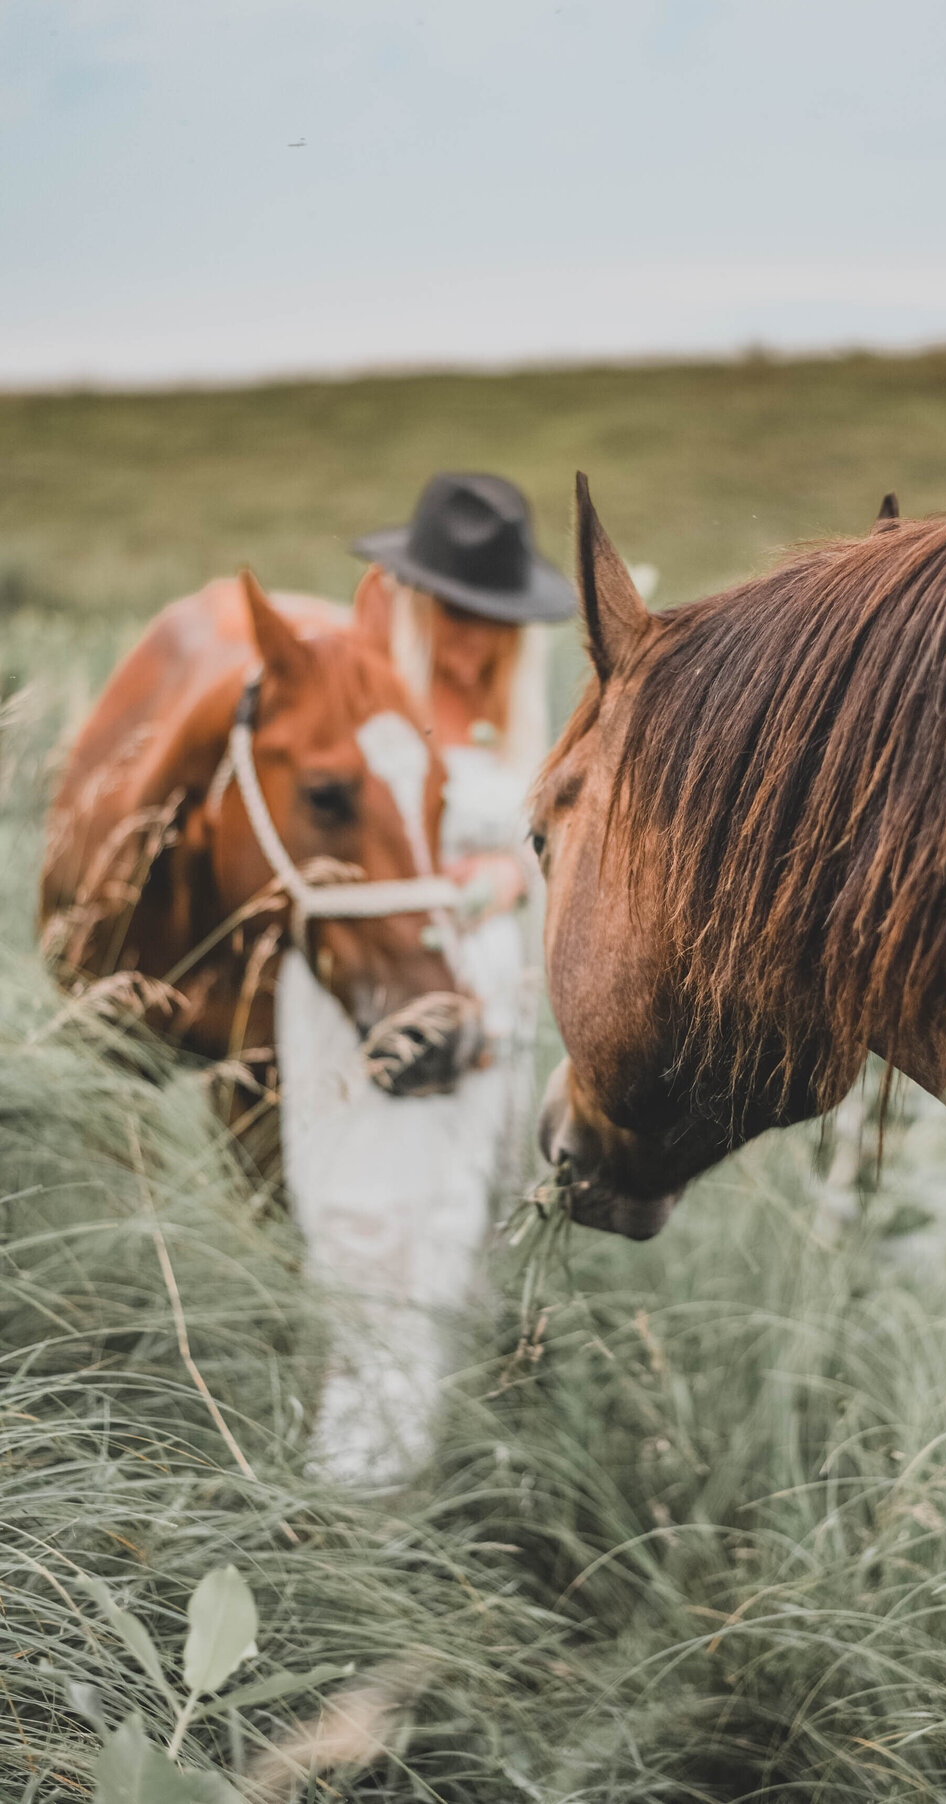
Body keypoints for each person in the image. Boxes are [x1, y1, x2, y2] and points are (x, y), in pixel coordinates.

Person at [276, 473, 574, 1483]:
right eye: (457, 613)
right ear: (415, 601)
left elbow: (544, 856)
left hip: (492, 997)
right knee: (371, 1223)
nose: (474, 640)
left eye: (494, 619)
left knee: (458, 1218)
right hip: (378, 990)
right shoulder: (365, 705)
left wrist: (506, 876)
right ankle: (353, 1478)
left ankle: (433, 1456)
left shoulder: (515, 714)